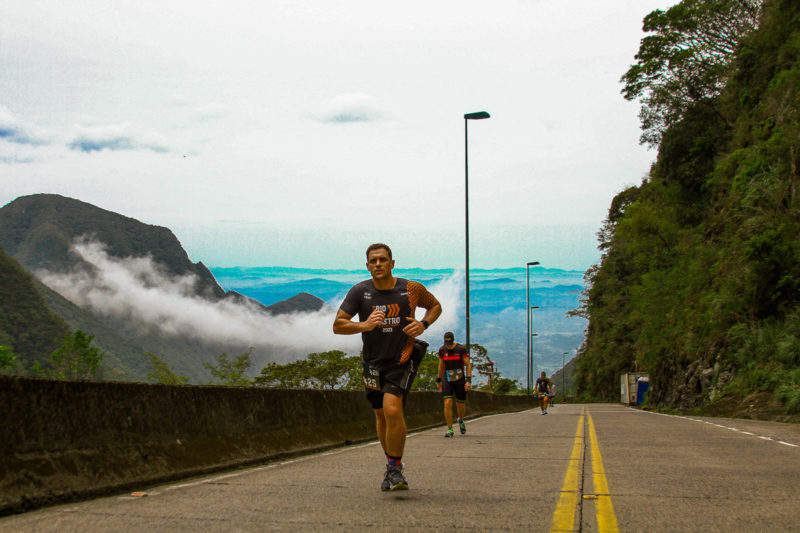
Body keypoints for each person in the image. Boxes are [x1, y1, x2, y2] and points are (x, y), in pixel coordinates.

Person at [333, 243, 442, 491]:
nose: (378, 264)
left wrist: (423, 324)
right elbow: (338, 325)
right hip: (372, 363)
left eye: (383, 260)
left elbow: (435, 306)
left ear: (393, 263)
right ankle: (391, 465)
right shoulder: (360, 292)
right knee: (380, 414)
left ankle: (394, 469)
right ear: (368, 265)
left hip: (402, 359)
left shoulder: (410, 289)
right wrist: (365, 325)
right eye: (373, 261)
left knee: (392, 408)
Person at [436, 331, 471, 438]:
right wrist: (438, 380)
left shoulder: (461, 349)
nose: (449, 345)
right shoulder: (442, 350)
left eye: (450, 343)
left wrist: (468, 380)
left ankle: (461, 419)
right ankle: (450, 429)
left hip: (460, 378)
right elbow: (441, 365)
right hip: (447, 378)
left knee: (460, 404)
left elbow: (468, 364)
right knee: (447, 402)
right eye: (447, 343)